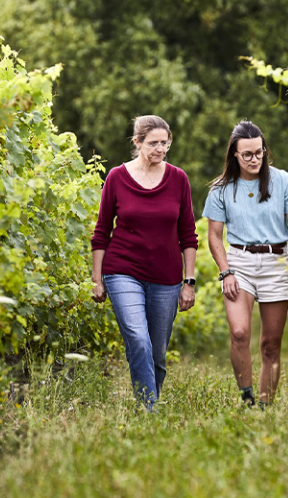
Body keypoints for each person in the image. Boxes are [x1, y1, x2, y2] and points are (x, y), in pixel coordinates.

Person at [91, 115, 198, 411]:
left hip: (166, 277)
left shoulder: (178, 179)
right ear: (137, 143)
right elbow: (101, 232)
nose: (160, 149)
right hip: (122, 270)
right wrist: (97, 279)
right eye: (153, 143)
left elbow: (188, 235)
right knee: (138, 339)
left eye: (165, 143)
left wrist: (189, 282)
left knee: (157, 353)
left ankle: (149, 398)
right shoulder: (116, 177)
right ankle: (148, 411)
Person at [202, 121, 288, 409]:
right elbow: (213, 235)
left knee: (270, 344)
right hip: (239, 261)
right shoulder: (221, 190)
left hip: (276, 262)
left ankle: (264, 406)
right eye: (246, 154)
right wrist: (226, 272)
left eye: (258, 152)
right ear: (234, 154)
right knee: (239, 332)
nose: (254, 159)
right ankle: (246, 397)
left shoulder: (283, 181)